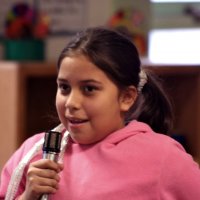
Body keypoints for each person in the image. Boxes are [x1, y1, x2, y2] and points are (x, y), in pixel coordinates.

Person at [1, 26, 200, 200]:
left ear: (127, 97)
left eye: (89, 89)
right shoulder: (33, 152)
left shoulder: (163, 157)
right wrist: (28, 196)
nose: (71, 103)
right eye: (64, 87)